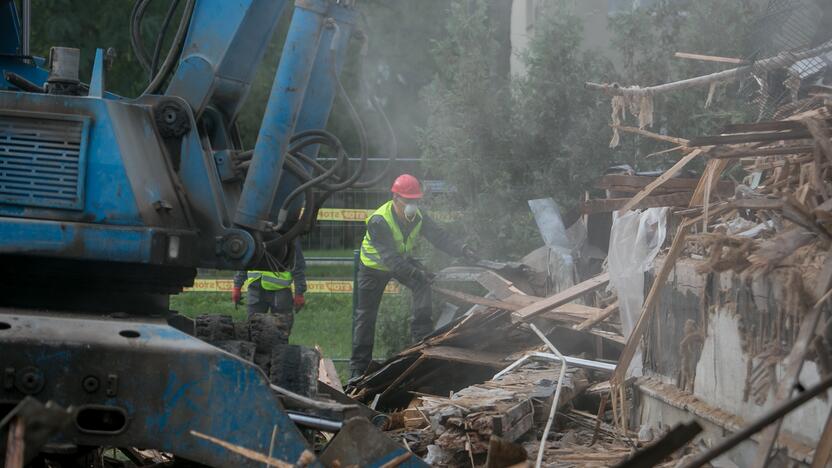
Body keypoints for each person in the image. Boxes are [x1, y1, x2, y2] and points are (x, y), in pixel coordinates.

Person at [350, 174, 477, 379]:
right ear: (395, 198)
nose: (412, 205)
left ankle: (421, 343)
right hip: (373, 269)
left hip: (399, 262)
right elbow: (392, 261)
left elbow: (439, 236)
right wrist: (418, 273)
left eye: (415, 200)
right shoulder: (379, 220)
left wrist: (462, 250)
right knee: (365, 317)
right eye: (408, 201)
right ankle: (358, 369)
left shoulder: (418, 216)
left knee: (421, 285)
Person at [232, 238, 307, 344]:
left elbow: (297, 264)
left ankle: (278, 356)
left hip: (279, 290)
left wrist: (300, 293)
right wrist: (237, 286)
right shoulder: (253, 234)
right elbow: (245, 261)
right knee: (253, 330)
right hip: (257, 288)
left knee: (281, 332)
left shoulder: (288, 234)